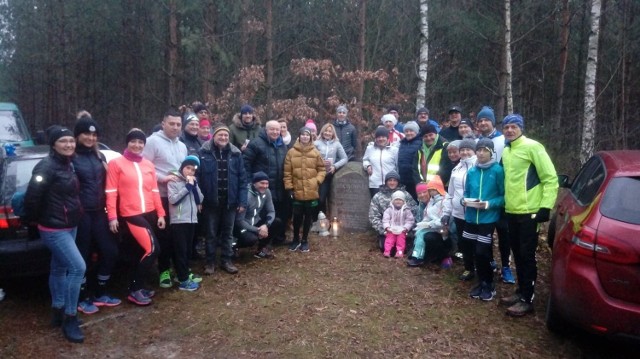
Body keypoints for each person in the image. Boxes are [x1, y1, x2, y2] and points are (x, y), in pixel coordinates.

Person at [24, 125, 85, 343]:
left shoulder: (69, 164)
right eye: (63, 141)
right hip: (53, 229)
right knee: (78, 268)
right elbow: (32, 197)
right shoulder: (46, 167)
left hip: (71, 225)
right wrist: (33, 221)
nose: (68, 144)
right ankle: (70, 317)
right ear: (53, 144)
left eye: (71, 141)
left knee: (58, 268)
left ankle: (57, 309)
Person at [499, 114, 558, 317]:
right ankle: (520, 291)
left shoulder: (534, 147)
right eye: (506, 127)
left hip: (530, 212)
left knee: (527, 254)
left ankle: (527, 299)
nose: (509, 130)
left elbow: (550, 178)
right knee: (517, 253)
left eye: (514, 127)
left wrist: (545, 207)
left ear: (521, 128)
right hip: (512, 210)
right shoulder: (507, 151)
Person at [106, 128, 165, 306]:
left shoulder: (148, 165)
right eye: (133, 141)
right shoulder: (116, 164)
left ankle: (139, 286)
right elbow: (111, 192)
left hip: (149, 212)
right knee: (153, 250)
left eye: (140, 142)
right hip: (131, 214)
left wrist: (161, 213)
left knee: (139, 252)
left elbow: (154, 191)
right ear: (127, 143)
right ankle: (134, 289)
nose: (137, 145)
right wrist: (112, 217)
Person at [72, 116, 121, 316]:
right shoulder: (71, 157)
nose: (91, 138)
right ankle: (82, 297)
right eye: (86, 134)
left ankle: (101, 291)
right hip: (81, 214)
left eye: (94, 134)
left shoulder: (99, 156)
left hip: (100, 212)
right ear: (77, 135)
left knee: (110, 251)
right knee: (81, 257)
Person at [142, 109, 188, 288]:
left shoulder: (182, 145)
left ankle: (181, 270)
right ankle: (163, 271)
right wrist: (162, 179)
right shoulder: (152, 142)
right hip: (160, 196)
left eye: (178, 124)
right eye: (172, 124)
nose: (175, 127)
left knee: (179, 236)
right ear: (163, 124)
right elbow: (144, 168)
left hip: (179, 196)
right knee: (164, 236)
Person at [198, 125, 248, 275]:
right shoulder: (204, 152)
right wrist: (199, 200)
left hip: (230, 202)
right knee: (211, 233)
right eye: (220, 135)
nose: (223, 138)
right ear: (214, 136)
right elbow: (198, 179)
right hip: (210, 202)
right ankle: (210, 262)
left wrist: (242, 201)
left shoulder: (236, 154)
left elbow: (242, 179)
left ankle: (227, 260)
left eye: (226, 135)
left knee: (228, 233)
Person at [476, 106, 514, 284]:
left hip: (502, 194)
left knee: (504, 233)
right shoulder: (477, 141)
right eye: (480, 120)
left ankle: (506, 266)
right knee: (485, 233)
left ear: (492, 122)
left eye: (486, 120)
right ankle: (490, 262)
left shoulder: (503, 139)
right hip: (484, 196)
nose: (483, 123)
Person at [464, 139, 505, 301]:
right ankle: (480, 282)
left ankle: (489, 284)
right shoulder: (472, 172)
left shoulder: (498, 171)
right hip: (471, 217)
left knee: (483, 251)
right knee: (474, 250)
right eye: (478, 150)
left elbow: (504, 197)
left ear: (491, 152)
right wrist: (465, 201)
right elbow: (467, 192)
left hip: (488, 218)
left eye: (484, 150)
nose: (481, 153)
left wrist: (488, 204)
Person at [243, 120, 290, 243]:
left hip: (279, 186)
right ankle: (260, 239)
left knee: (278, 213)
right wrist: (249, 183)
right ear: (266, 130)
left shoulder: (283, 146)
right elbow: (246, 164)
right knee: (262, 214)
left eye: (277, 130)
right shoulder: (256, 144)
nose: (275, 132)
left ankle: (278, 238)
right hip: (261, 187)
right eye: (272, 129)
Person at [284, 127, 325, 252]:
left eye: (307, 135)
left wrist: (317, 181)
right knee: (296, 216)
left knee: (308, 216)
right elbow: (287, 172)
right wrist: (289, 188)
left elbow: (322, 169)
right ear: (299, 136)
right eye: (303, 135)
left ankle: (305, 240)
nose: (305, 137)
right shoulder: (291, 152)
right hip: (297, 190)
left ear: (310, 137)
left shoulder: (315, 152)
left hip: (311, 190)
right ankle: (295, 239)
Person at [167, 155, 204, 291]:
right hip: (179, 220)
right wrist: (187, 187)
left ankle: (184, 273)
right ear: (182, 168)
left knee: (188, 249)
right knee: (180, 250)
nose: (190, 171)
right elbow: (173, 200)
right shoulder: (174, 181)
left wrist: (194, 186)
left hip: (191, 219)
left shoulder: (193, 182)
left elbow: (200, 198)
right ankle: (183, 281)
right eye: (188, 168)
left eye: (193, 170)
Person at [442, 139, 477, 281]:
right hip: (458, 213)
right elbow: (450, 194)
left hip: (475, 213)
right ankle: (468, 268)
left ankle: (482, 268)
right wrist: (446, 212)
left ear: (474, 151)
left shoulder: (479, 166)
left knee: (477, 243)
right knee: (464, 242)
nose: (465, 152)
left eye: (468, 149)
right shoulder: (456, 169)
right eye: (462, 150)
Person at [234, 171, 282, 259]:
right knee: (251, 239)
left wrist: (265, 225)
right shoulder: (246, 196)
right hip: (242, 226)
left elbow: (271, 211)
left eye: (267, 183)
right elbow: (239, 221)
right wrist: (257, 230)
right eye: (262, 183)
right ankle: (234, 247)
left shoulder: (267, 192)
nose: (265, 186)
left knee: (277, 222)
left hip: (256, 222)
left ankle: (261, 249)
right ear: (254, 183)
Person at [408, 177, 451, 267]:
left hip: (443, 232)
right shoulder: (431, 201)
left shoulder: (446, 201)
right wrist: (421, 225)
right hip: (431, 227)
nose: (431, 193)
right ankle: (417, 256)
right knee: (419, 233)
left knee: (427, 237)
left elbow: (445, 220)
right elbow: (426, 215)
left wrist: (429, 224)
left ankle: (444, 256)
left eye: (431, 190)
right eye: (430, 190)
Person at [369, 171, 417, 251]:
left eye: (394, 180)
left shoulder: (406, 195)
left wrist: (408, 230)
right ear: (386, 182)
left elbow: (414, 213)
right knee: (388, 249)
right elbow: (373, 216)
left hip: (403, 231)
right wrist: (383, 230)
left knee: (404, 249)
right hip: (387, 230)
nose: (392, 182)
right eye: (390, 180)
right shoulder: (378, 196)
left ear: (398, 182)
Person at [313, 123, 348, 221]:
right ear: (322, 131)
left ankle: (323, 221)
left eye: (330, 131)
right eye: (326, 131)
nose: (327, 133)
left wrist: (335, 166)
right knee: (315, 199)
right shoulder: (316, 143)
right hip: (315, 174)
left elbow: (345, 158)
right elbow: (310, 158)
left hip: (328, 175)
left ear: (333, 133)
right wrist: (319, 162)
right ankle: (314, 220)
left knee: (322, 199)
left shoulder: (337, 143)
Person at [362, 126, 398, 197]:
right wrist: (368, 166)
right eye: (378, 137)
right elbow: (365, 160)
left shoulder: (394, 150)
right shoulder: (370, 148)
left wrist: (396, 180)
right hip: (375, 184)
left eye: (383, 137)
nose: (381, 139)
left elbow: (398, 166)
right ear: (375, 138)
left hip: (391, 184)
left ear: (387, 138)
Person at [382, 191, 415, 258]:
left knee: (401, 242)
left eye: (400, 200)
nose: (398, 201)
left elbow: (410, 220)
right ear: (393, 201)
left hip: (402, 230)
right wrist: (387, 227)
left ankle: (399, 253)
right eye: (396, 199)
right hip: (391, 229)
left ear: (403, 201)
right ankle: (387, 252)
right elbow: (385, 220)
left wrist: (406, 228)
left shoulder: (407, 210)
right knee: (389, 240)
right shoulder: (389, 210)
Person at [397, 121, 422, 199]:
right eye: (406, 131)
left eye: (411, 131)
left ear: (416, 132)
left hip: (415, 179)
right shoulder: (402, 143)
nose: (408, 133)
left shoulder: (420, 143)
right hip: (403, 179)